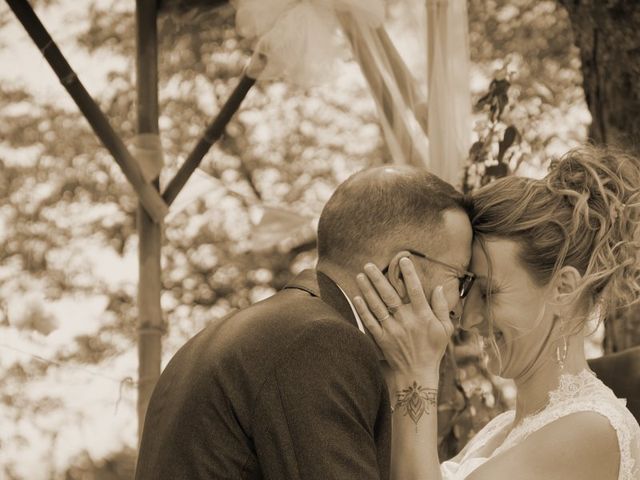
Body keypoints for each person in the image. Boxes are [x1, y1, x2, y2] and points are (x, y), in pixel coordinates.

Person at [134, 165, 473, 479]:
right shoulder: (320, 343)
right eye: (459, 279)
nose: (460, 305)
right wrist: (421, 374)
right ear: (402, 274)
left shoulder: (257, 331)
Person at [354, 146, 640, 480]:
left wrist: (416, 373)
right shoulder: (502, 428)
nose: (468, 317)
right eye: (466, 290)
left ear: (564, 289)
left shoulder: (591, 429)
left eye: (488, 293)